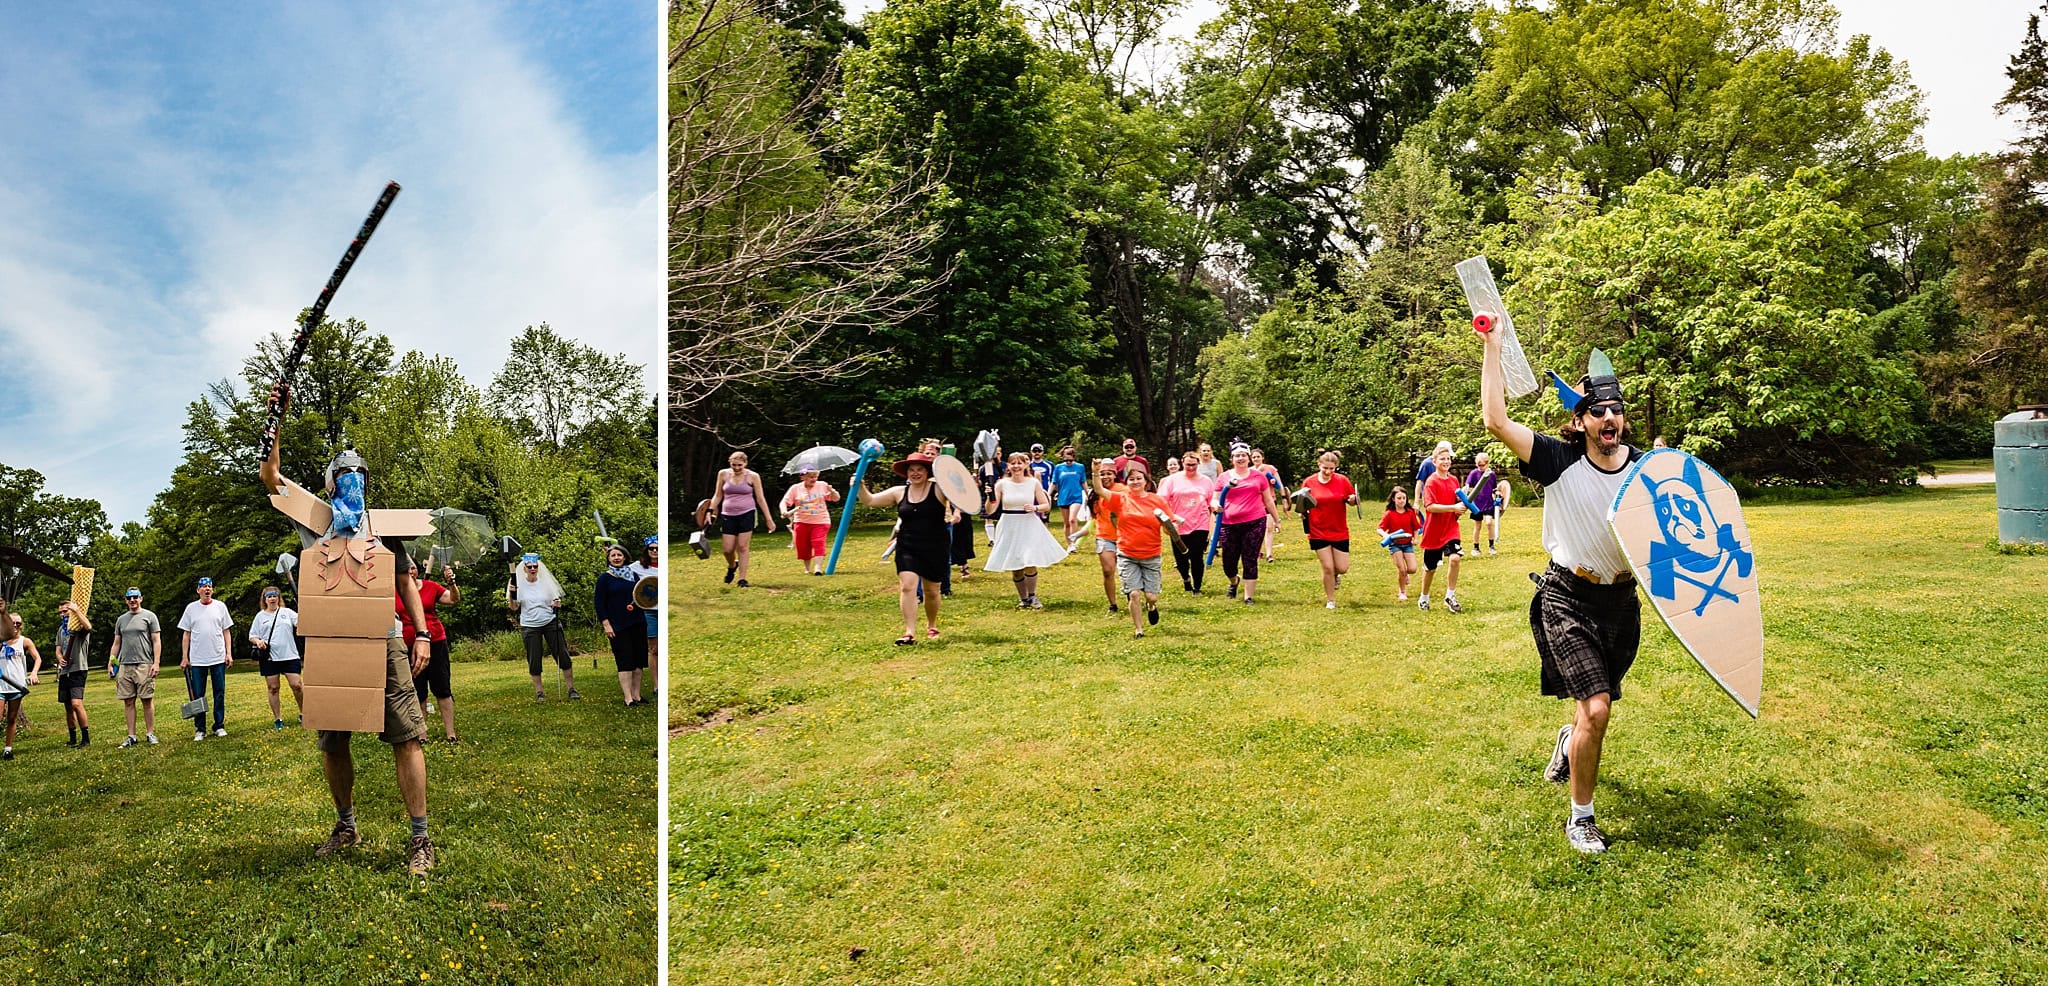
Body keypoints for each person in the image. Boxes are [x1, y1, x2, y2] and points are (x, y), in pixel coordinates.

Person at [1481, 322, 1644, 855]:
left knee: (1592, 709)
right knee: (1597, 708)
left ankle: (1569, 742)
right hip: (1567, 597)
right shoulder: (1557, 460)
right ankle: (1581, 818)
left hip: (1622, 604)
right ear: (1580, 421)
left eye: (1615, 409)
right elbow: (1496, 421)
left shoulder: (1646, 470)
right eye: (1597, 411)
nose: (1608, 417)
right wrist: (1493, 347)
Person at [259, 404, 439, 875]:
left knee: (407, 736)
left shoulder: (383, 527)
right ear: (330, 482)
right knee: (332, 740)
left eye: (358, 474)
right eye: (344, 474)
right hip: (330, 642)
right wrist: (275, 419)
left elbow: (404, 583)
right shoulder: (315, 519)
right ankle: (346, 826)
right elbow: (271, 477)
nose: (352, 480)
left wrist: (421, 633)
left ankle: (420, 838)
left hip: (383, 639)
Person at [857, 451, 959, 644]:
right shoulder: (899, 492)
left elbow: (962, 496)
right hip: (908, 545)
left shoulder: (939, 489)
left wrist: (958, 507)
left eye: (920, 469)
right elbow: (869, 500)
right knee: (907, 586)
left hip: (935, 545)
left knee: (932, 591)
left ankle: (932, 625)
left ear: (927, 472)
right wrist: (860, 486)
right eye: (911, 470)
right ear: (906, 473)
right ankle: (909, 632)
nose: (915, 473)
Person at [1092, 463, 1182, 636]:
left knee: (1151, 596)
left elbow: (1167, 526)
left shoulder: (1157, 501)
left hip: (1151, 554)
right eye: (1131, 479)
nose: (1135, 482)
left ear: (1146, 482)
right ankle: (1138, 630)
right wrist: (1096, 472)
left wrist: (1171, 529)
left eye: (1138, 478)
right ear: (1127, 483)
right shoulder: (1121, 499)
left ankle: (1151, 606)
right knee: (1133, 594)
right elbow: (1100, 490)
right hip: (1127, 554)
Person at [985, 451, 1067, 610]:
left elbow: (1046, 505)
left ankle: (1032, 595)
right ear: (1008, 466)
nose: (1016, 466)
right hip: (1009, 525)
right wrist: (989, 497)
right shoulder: (1001, 484)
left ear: (1026, 464)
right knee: (1016, 565)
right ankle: (1023, 598)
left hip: (1028, 524)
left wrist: (1035, 507)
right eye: (1013, 463)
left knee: (1029, 561)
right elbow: (990, 510)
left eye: (1019, 463)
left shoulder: (1033, 483)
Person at [399, 558, 460, 738]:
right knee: (418, 691)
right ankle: (422, 735)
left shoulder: (430, 587)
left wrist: (451, 583)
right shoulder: (395, 590)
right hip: (409, 645)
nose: (410, 572)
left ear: (417, 570)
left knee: (442, 687)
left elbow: (453, 599)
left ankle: (451, 733)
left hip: (435, 642)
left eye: (412, 568)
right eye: (406, 569)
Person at [1214, 444, 1279, 604]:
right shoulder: (1224, 477)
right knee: (1228, 562)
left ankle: (1248, 596)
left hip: (1255, 522)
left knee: (1250, 559)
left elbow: (1268, 500)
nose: (1240, 458)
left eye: (1243, 455)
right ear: (1232, 459)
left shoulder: (1258, 476)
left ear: (1248, 458)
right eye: (1237, 455)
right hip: (1229, 524)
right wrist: (1215, 505)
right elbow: (1214, 498)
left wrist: (1277, 519)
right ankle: (1234, 581)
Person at [510, 553, 576, 700]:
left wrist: (556, 604)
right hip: (530, 625)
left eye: (535, 566)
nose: (533, 569)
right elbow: (514, 607)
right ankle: (539, 692)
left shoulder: (546, 583)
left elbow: (555, 600)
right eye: (530, 567)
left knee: (563, 655)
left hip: (550, 621)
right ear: (524, 569)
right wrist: (511, 594)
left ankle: (571, 689)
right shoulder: (518, 584)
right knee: (534, 659)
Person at [1299, 451, 1360, 609]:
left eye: (1332, 468)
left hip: (1339, 529)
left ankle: (1336, 574)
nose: (1328, 471)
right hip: (1317, 530)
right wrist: (1302, 512)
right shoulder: (1309, 482)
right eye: (1325, 468)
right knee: (1327, 567)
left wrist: (1353, 499)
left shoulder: (1342, 481)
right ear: (1319, 465)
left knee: (1342, 568)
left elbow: (1352, 500)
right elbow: (1301, 504)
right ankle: (1330, 600)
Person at [178, 577, 235, 740]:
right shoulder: (191, 608)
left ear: (212, 590)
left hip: (217, 657)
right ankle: (200, 728)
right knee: (198, 694)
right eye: (203, 587)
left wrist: (228, 653)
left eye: (209, 586)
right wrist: (184, 657)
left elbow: (226, 631)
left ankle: (219, 725)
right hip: (197, 659)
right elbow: (186, 634)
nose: (207, 589)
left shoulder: (220, 606)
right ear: (198, 590)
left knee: (219, 692)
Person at [713, 451, 777, 587]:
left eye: (740, 465)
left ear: (745, 464)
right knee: (727, 550)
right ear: (730, 463)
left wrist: (769, 519)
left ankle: (742, 579)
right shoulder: (723, 474)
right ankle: (732, 565)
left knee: (742, 546)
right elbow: (718, 495)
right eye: (734, 465)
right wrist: (709, 511)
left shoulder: (753, 476)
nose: (736, 468)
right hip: (728, 514)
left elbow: (760, 498)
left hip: (747, 513)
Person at [1156, 453, 1217, 593]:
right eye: (1188, 464)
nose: (1191, 467)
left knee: (1197, 557)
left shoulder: (1206, 481)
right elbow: (1161, 501)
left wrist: (1215, 506)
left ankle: (1197, 587)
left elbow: (1211, 500)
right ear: (1182, 463)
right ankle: (1186, 578)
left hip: (1200, 523)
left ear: (1198, 464)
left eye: (1194, 465)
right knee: (1181, 558)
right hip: (1178, 524)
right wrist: (1169, 520)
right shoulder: (1172, 480)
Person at [595, 544, 646, 706]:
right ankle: (628, 698)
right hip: (617, 625)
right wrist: (606, 624)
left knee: (638, 661)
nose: (616, 558)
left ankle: (637, 695)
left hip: (637, 622)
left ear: (625, 557)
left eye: (619, 555)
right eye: (613, 555)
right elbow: (599, 603)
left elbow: (642, 595)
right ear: (608, 559)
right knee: (625, 660)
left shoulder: (633, 575)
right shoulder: (604, 578)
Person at [110, 587, 161, 747]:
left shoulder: (149, 616)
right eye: (129, 598)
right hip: (125, 665)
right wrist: (111, 662)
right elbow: (116, 643)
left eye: (135, 597)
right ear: (126, 600)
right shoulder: (121, 620)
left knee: (147, 700)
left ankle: (150, 733)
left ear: (141, 598)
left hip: (144, 664)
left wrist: (156, 662)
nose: (132, 600)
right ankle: (131, 736)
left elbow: (156, 641)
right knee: (128, 701)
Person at [1416, 444, 1464, 613]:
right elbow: (1430, 507)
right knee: (1430, 568)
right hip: (1434, 531)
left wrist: (1460, 508)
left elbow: (1457, 501)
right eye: (1442, 459)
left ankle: (1450, 596)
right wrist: (1453, 508)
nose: (1446, 461)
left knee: (1455, 559)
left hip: (1450, 527)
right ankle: (1424, 597)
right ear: (1434, 461)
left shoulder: (1454, 480)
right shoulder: (1431, 482)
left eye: (1448, 459)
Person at [249, 586, 305, 731]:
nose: (272, 598)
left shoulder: (287, 613)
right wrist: (258, 641)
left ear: (279, 598)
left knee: (297, 685)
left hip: (290, 655)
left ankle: (304, 713)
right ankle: (278, 719)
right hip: (270, 658)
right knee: (273, 688)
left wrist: (304, 610)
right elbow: (252, 635)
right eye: (269, 596)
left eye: (275, 596)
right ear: (265, 599)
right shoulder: (260, 616)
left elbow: (302, 623)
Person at [779, 463, 840, 576]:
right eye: (811, 477)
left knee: (818, 542)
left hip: (821, 521)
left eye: (815, 476)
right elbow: (784, 502)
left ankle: (818, 568)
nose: (814, 479)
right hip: (801, 521)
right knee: (803, 546)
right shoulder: (795, 488)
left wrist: (832, 491)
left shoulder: (822, 485)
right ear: (802, 477)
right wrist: (784, 511)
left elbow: (836, 499)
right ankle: (807, 568)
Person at [1084, 458, 1127, 612]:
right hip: (1104, 536)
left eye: (1109, 473)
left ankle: (1132, 597)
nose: (1105, 477)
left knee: (1126, 571)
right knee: (1108, 571)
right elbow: (1094, 516)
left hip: (1125, 537)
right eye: (1102, 474)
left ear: (1115, 475)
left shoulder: (1123, 490)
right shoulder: (1095, 493)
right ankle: (1113, 604)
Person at [53, 600, 94, 748]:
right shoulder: (61, 630)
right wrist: (60, 659)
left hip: (78, 669)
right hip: (65, 672)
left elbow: (88, 627)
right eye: (60, 612)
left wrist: (76, 611)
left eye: (65, 611)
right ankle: (72, 738)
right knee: (68, 706)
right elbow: (58, 649)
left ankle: (86, 738)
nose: (62, 614)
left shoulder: (78, 626)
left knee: (76, 704)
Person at [1, 612, 42, 761]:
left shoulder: (25, 641)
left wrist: (34, 673)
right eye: (12, 622)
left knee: (12, 718)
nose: (15, 625)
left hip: (17, 685)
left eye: (18, 623)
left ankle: (8, 749)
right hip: (1, 685)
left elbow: (37, 658)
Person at [1377, 489, 1424, 602]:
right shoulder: (1389, 514)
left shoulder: (1410, 512)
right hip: (1394, 545)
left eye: (1404, 498)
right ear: (1393, 499)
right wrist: (1386, 536)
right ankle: (1402, 592)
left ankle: (1405, 575)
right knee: (1401, 569)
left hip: (1407, 544)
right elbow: (1379, 529)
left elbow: (1416, 527)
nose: (1402, 500)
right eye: (1399, 498)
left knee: (1412, 569)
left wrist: (1416, 539)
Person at [629, 535, 660, 695]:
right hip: (649, 612)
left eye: (657, 548)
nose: (654, 551)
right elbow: (620, 571)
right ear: (646, 550)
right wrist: (610, 553)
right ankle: (657, 685)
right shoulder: (637, 567)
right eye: (651, 548)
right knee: (654, 649)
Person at [1251, 448, 1288, 561]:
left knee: (1269, 527)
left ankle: (1269, 554)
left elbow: (1279, 485)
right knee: (1256, 529)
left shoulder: (1270, 469)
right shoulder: (1249, 471)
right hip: (1255, 502)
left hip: (1270, 501)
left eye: (1258, 456)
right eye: (1254, 457)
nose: (1256, 459)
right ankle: (1258, 552)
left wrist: (1284, 499)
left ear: (1262, 457)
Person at [1049, 445, 1090, 544]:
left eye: (1070, 460)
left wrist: (1088, 494)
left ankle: (1074, 542)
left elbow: (1083, 482)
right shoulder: (1059, 468)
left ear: (1074, 457)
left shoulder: (1080, 467)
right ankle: (1069, 544)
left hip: (1076, 497)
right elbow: (1054, 483)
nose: (1068, 462)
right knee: (1067, 523)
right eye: (1066, 460)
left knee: (1072, 519)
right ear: (1063, 457)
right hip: (1063, 497)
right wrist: (1047, 495)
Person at [1465, 451, 1501, 555]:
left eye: (1482, 465)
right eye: (1478, 465)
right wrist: (1470, 494)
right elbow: (1468, 486)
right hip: (1476, 504)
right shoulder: (1473, 473)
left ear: (1487, 463)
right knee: (1478, 525)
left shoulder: (1491, 474)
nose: (1480, 467)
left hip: (1488, 502)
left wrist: (1497, 493)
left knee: (1489, 523)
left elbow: (1494, 488)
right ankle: (1476, 547)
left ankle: (1491, 546)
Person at [975, 442, 1004, 545]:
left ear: (1001, 454)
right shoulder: (984, 468)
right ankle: (992, 540)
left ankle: (1001, 538)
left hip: (1003, 495)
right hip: (988, 495)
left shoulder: (1005, 466)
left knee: (1002, 517)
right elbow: (980, 483)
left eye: (998, 453)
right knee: (988, 517)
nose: (996, 456)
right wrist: (976, 480)